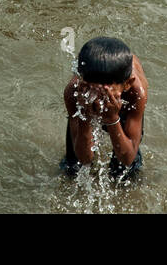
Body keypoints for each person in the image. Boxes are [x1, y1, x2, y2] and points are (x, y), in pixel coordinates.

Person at [60, 36, 148, 182]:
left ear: (127, 84)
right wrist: (85, 115)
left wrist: (112, 119)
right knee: (73, 168)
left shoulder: (136, 93)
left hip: (122, 105)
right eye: (92, 90)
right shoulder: (75, 92)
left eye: (105, 93)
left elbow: (127, 158)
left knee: (125, 173)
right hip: (84, 99)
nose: (97, 98)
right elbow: (84, 159)